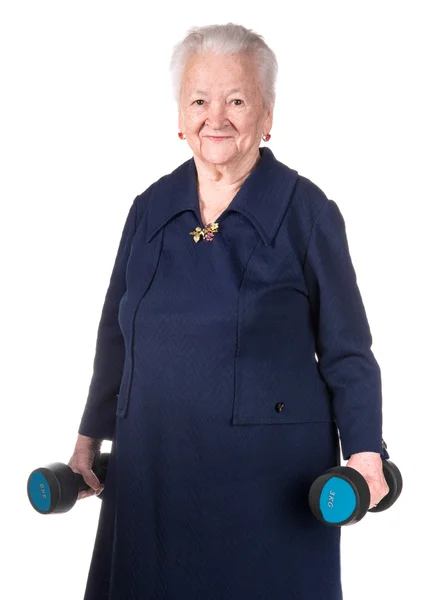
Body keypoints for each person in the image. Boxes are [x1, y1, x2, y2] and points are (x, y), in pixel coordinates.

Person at [69, 22, 390, 600]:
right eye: (199, 100)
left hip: (266, 485)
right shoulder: (149, 210)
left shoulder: (306, 212)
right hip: (153, 470)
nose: (216, 117)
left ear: (267, 117)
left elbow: (347, 351)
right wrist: (88, 442)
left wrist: (367, 456)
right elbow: (115, 339)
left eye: (237, 100)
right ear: (179, 117)